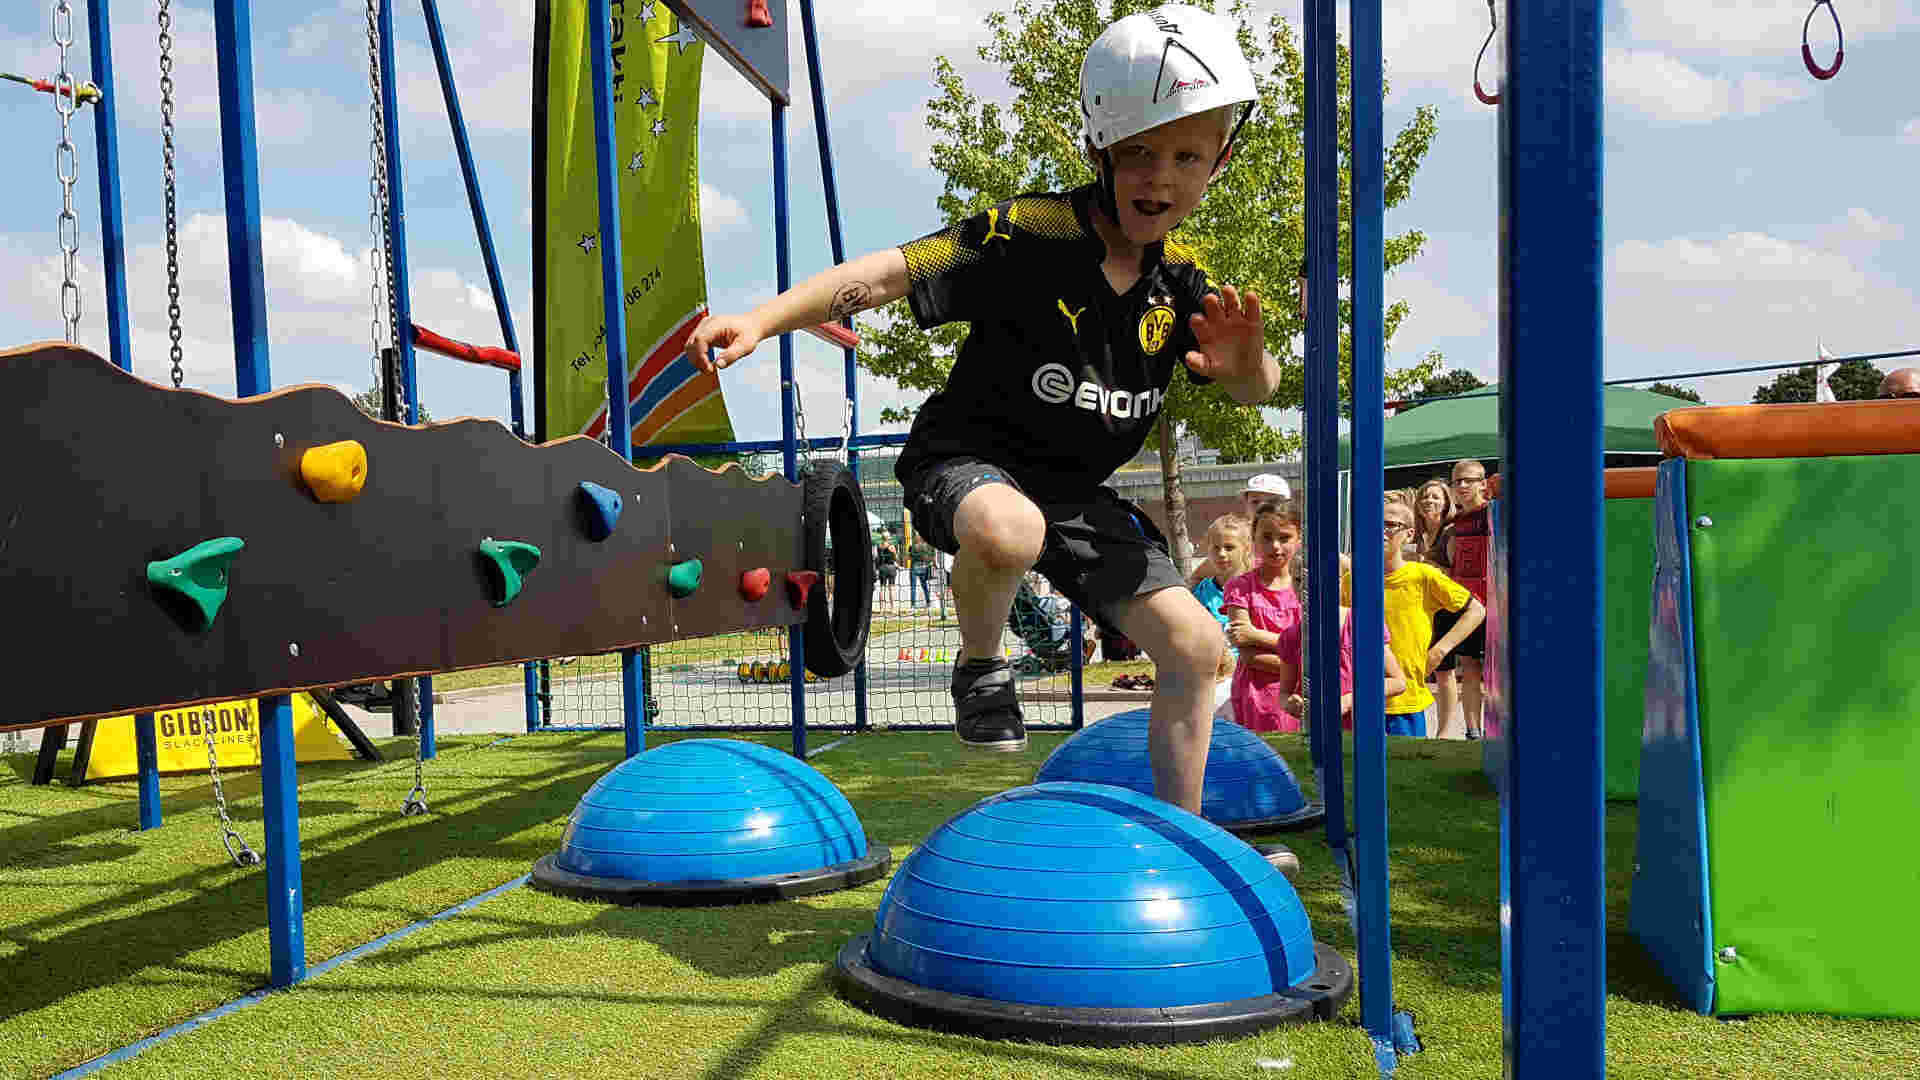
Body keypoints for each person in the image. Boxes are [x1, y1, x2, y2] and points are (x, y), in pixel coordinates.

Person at [683, 8, 1271, 810]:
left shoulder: (1186, 285)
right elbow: (890, 272)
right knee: (1009, 528)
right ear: (1098, 147)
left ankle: (1186, 841)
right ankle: (980, 663)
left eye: (1184, 155)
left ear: (1218, 161)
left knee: (1200, 649)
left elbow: (1249, 385)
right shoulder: (1028, 233)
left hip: (1076, 497)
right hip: (966, 461)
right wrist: (761, 318)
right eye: (1137, 153)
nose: (1159, 177)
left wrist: (1252, 368)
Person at [1378, 500, 1484, 737]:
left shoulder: (1423, 576)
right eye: (1375, 523)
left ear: (1409, 534)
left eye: (1390, 525)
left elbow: (1476, 610)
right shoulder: (1350, 580)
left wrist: (1440, 650)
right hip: (1357, 700)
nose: (1381, 530)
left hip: (1405, 702)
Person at [1222, 506, 1304, 733]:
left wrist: (1256, 634)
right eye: (1266, 538)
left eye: (1284, 537)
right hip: (1257, 696)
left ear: (1299, 538)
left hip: (1300, 695)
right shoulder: (1240, 587)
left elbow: (1312, 649)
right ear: (1254, 540)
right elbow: (1248, 655)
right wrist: (1299, 664)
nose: (1275, 546)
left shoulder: (1307, 586)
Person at [1432, 458, 1493, 738]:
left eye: (1469, 480)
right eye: (1458, 481)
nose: (1463, 486)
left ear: (1483, 482)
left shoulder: (1495, 514)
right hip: (1467, 606)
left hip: (1496, 604)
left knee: (1494, 671)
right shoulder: (1453, 525)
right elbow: (1445, 566)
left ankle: (1496, 731)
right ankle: (1473, 730)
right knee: (1470, 666)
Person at [1275, 604, 1407, 732]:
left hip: (1364, 734)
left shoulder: (1364, 622)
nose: (1305, 588)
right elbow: (1284, 694)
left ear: (1339, 581)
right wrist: (1291, 704)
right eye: (1298, 581)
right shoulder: (1291, 637)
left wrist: (1349, 700)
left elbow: (1398, 682)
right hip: (1317, 736)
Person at [1410, 477, 1462, 734]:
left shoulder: (1450, 532)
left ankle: (1445, 732)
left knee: (1444, 672)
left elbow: (1455, 573)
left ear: (1445, 503)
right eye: (1425, 497)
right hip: (1424, 609)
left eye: (1435, 497)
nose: (1429, 501)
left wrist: (1425, 565)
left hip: (1446, 609)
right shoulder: (1419, 534)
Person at [1187, 472, 1290, 586]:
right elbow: (1197, 577)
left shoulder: (1298, 543)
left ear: (1286, 505)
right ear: (1246, 504)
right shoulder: (1238, 538)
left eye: (1271, 502)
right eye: (1255, 502)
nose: (1262, 507)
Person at [907, 536, 936, 608]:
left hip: (914, 567)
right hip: (923, 567)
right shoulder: (925, 547)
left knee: (913, 587)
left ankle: (913, 604)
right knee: (924, 586)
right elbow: (929, 557)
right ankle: (928, 602)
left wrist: (910, 555)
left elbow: (908, 557)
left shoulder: (912, 547)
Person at [873, 532, 899, 608]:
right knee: (891, 588)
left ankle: (882, 608)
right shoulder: (891, 546)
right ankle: (892, 607)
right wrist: (895, 553)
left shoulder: (879, 546)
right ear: (888, 538)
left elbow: (877, 558)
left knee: (882, 588)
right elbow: (895, 558)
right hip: (891, 567)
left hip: (882, 567)